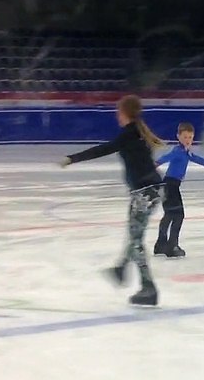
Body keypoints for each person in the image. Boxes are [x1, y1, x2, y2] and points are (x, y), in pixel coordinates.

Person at [60, 95, 164, 307]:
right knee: (135, 236)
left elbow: (103, 149)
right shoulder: (138, 132)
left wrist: (73, 158)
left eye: (118, 111)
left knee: (136, 240)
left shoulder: (130, 134)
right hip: (148, 191)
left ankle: (148, 288)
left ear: (124, 113)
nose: (117, 115)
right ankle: (121, 270)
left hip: (144, 193)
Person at [154, 121, 204, 258]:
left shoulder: (186, 152)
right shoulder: (177, 151)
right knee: (178, 215)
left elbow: (197, 159)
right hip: (170, 186)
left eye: (190, 137)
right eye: (185, 137)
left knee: (169, 215)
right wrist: (152, 165)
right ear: (178, 137)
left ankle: (160, 245)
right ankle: (172, 246)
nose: (188, 140)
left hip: (170, 186)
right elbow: (165, 158)